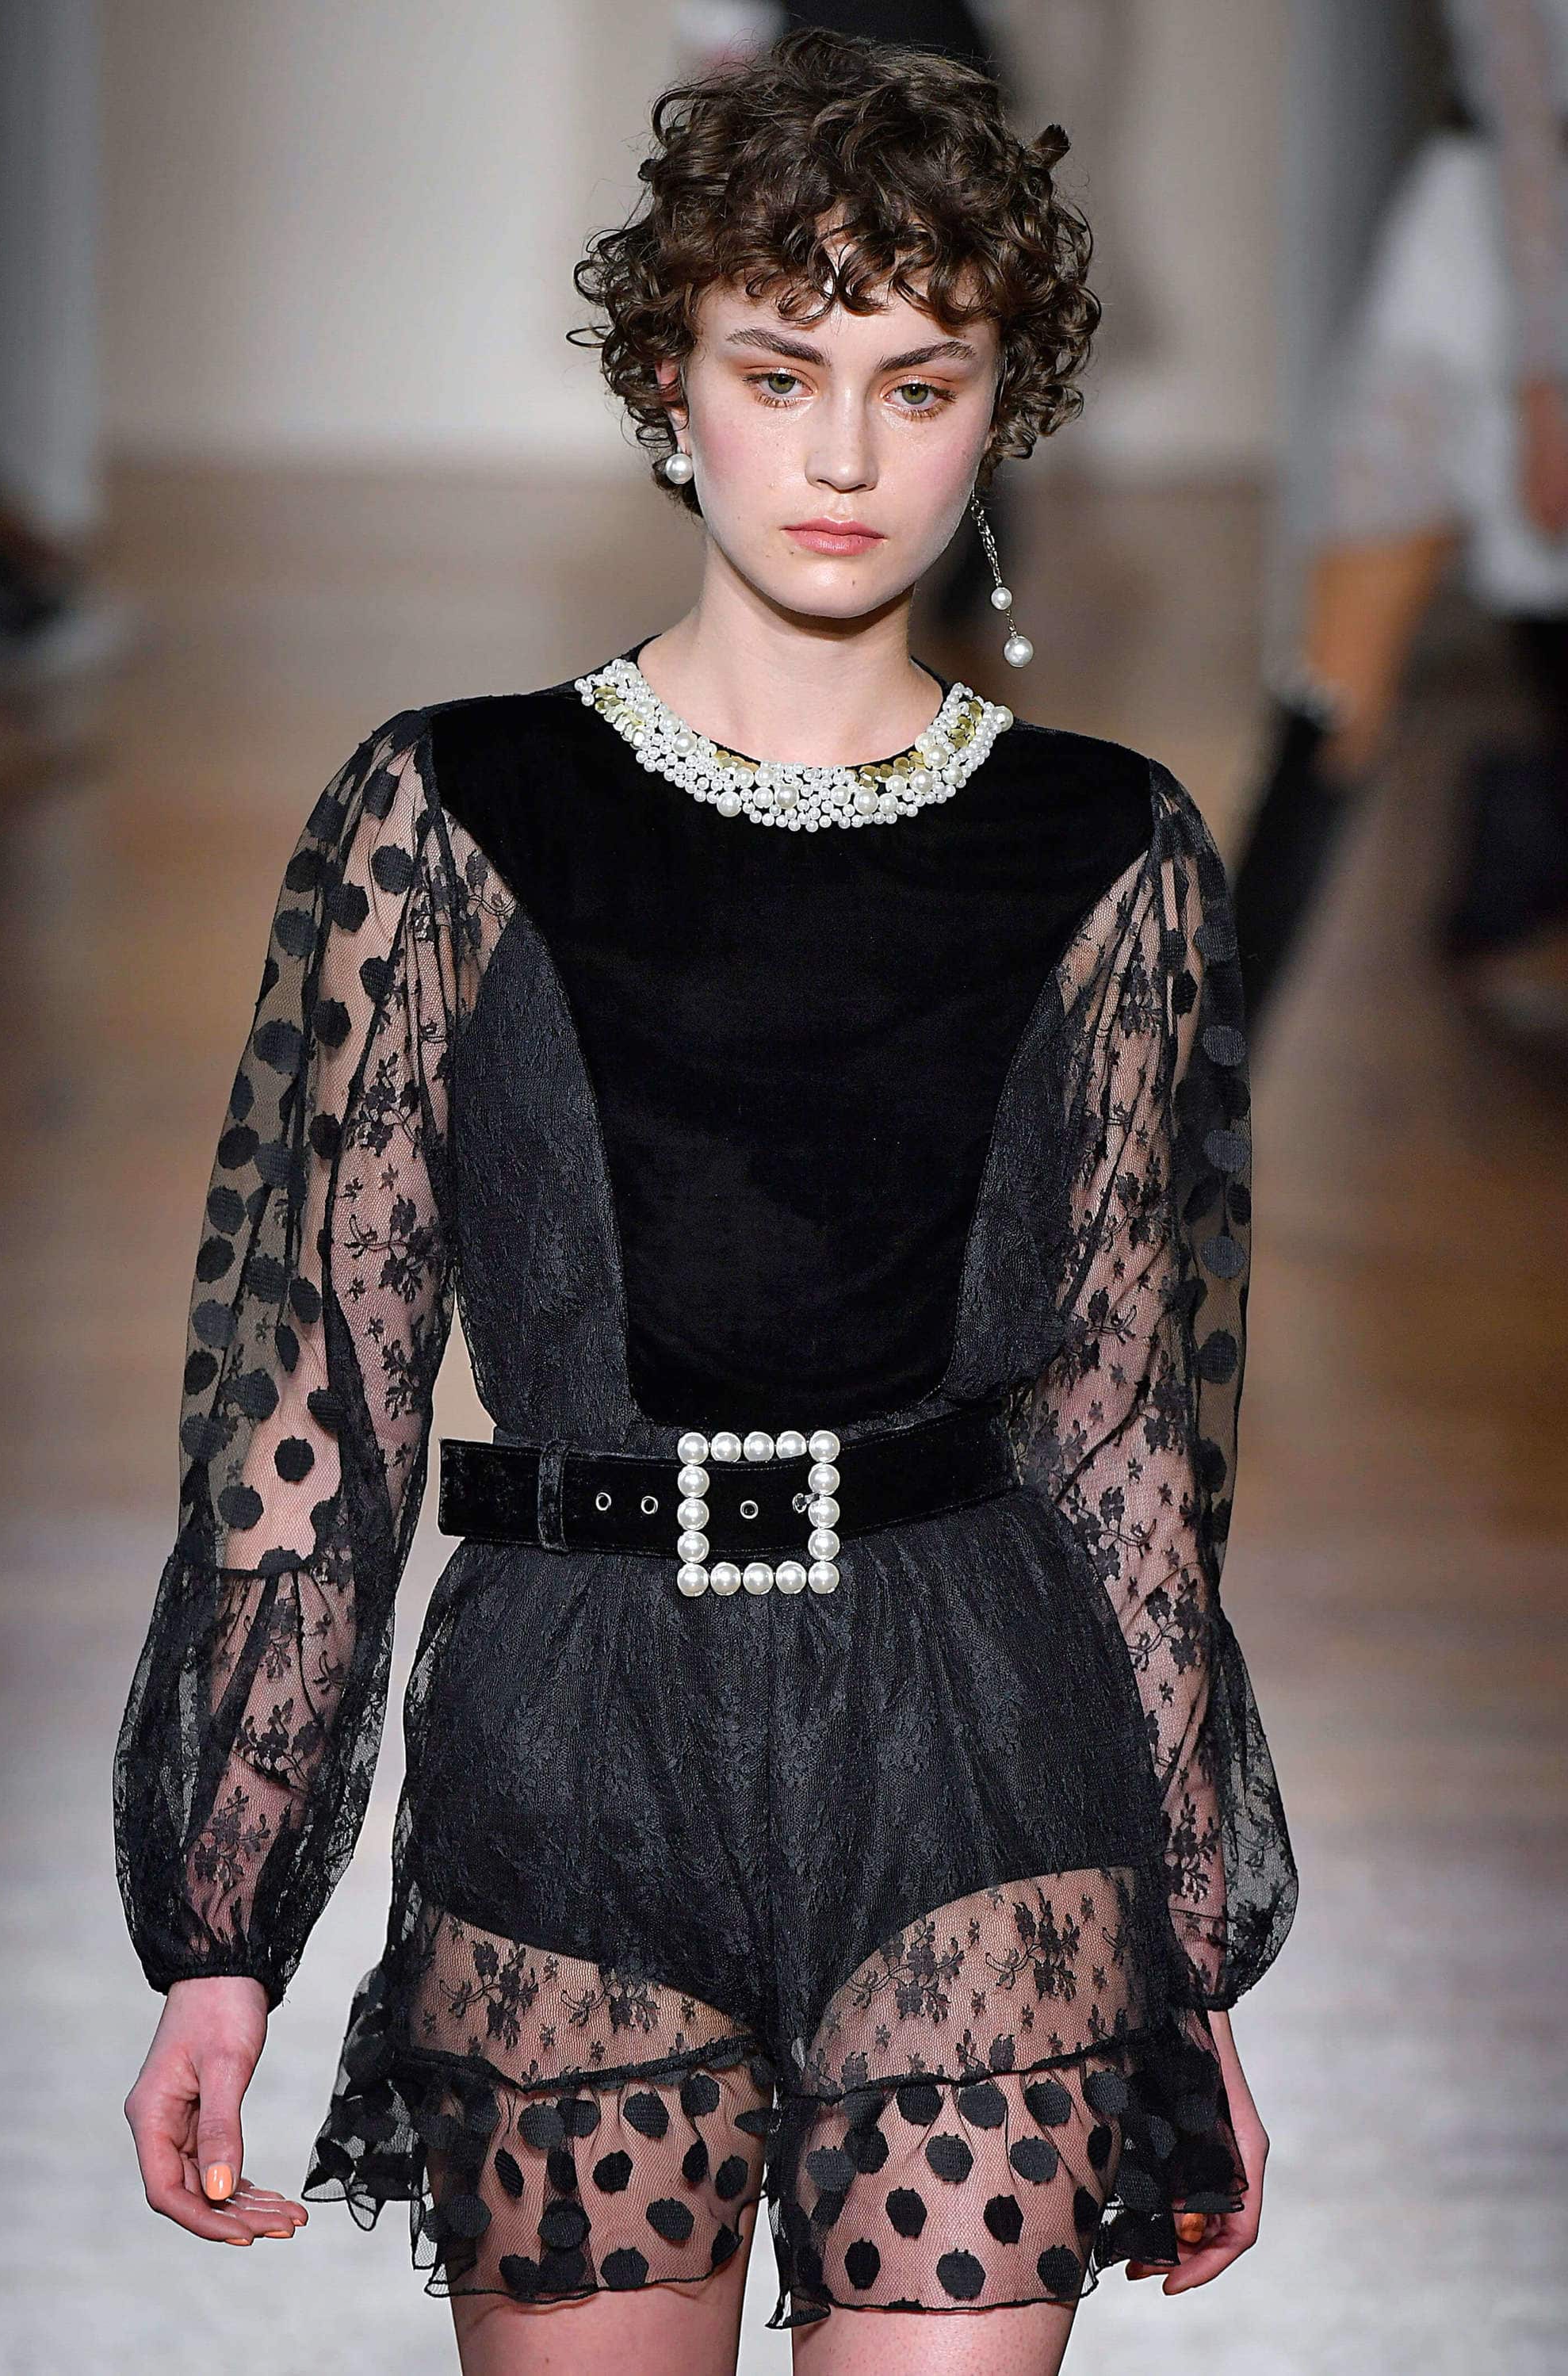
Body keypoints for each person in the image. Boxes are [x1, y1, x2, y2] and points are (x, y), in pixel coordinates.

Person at [113, 30, 1299, 2372]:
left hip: (983, 1750)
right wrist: (224, 1929)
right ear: (671, 377)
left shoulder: (1111, 850)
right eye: (781, 370)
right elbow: (315, 1397)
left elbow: (1127, 1430)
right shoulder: (449, 817)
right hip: (575, 1748)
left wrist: (1193, 1964)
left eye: (919, 383)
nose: (846, 455)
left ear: (1004, 406)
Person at [1233, 0, 1568, 1047]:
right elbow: (1520, 98)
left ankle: (1189, 1081)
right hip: (1484, 264)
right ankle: (1188, 1084)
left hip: (1490, 257)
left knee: (1341, 692)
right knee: (1336, 695)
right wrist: (1549, 376)